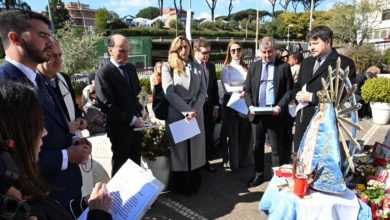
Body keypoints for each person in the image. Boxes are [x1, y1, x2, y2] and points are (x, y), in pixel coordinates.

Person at [0, 9, 91, 215]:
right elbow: (13, 158)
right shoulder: (5, 87)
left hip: (67, 191)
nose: (49, 43)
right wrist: (66, 156)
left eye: (49, 35)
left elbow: (57, 124)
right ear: (15, 38)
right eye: (42, 35)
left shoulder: (40, 78)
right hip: (41, 201)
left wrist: (73, 141)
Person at [0, 81, 112, 219]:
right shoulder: (13, 210)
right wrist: (98, 214)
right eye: (38, 125)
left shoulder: (20, 189)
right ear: (14, 134)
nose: (45, 132)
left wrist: (85, 205)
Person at [293, 25, 356, 152]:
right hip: (302, 119)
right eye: (309, 44)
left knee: (321, 161)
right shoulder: (307, 62)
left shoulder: (344, 63)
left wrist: (312, 97)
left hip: (324, 122)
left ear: (328, 42)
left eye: (315, 43)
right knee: (300, 158)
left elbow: (343, 93)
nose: (311, 48)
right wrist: (297, 94)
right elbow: (298, 85)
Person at [244, 37, 293, 187]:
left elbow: (290, 90)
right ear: (260, 51)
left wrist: (279, 106)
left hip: (275, 113)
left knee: (276, 149)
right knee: (257, 147)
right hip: (257, 114)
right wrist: (250, 106)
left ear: (275, 50)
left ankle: (277, 179)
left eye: (270, 51)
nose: (267, 55)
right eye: (264, 52)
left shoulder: (283, 67)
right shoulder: (253, 67)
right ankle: (258, 174)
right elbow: (247, 90)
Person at [161, 36, 207, 195]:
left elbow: (203, 91)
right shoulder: (167, 66)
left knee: (195, 149)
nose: (183, 50)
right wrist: (186, 110)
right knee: (179, 151)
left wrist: (196, 108)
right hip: (177, 112)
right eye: (180, 47)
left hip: (195, 113)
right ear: (174, 49)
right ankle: (181, 186)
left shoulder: (197, 66)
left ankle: (195, 183)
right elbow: (169, 92)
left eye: (186, 47)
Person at [95, 34, 144, 176]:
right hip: (119, 129)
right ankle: (117, 198)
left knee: (136, 165)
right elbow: (106, 104)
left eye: (128, 51)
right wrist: (132, 120)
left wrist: (142, 113)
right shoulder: (103, 73)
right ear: (110, 50)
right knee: (121, 167)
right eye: (122, 51)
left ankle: (137, 197)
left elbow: (137, 95)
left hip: (136, 129)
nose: (126, 55)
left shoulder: (131, 69)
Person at [36, 37, 87, 134]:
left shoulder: (64, 78)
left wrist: (80, 118)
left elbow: (73, 107)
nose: (58, 60)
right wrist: (64, 127)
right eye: (53, 56)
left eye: (60, 55)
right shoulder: (33, 83)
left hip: (73, 139)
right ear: (41, 56)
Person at [221, 40, 252, 172]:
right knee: (232, 135)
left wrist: (244, 92)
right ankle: (232, 163)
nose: (236, 52)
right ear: (229, 52)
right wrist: (243, 89)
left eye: (238, 49)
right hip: (231, 103)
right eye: (233, 50)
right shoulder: (226, 68)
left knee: (245, 133)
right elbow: (227, 88)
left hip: (244, 101)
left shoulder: (246, 67)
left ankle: (245, 161)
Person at [193, 37, 219, 173]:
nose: (206, 55)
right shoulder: (190, 65)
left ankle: (205, 161)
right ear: (196, 51)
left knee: (208, 135)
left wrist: (216, 106)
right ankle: (196, 163)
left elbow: (213, 88)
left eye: (208, 52)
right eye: (203, 52)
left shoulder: (211, 66)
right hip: (195, 108)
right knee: (196, 136)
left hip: (209, 109)